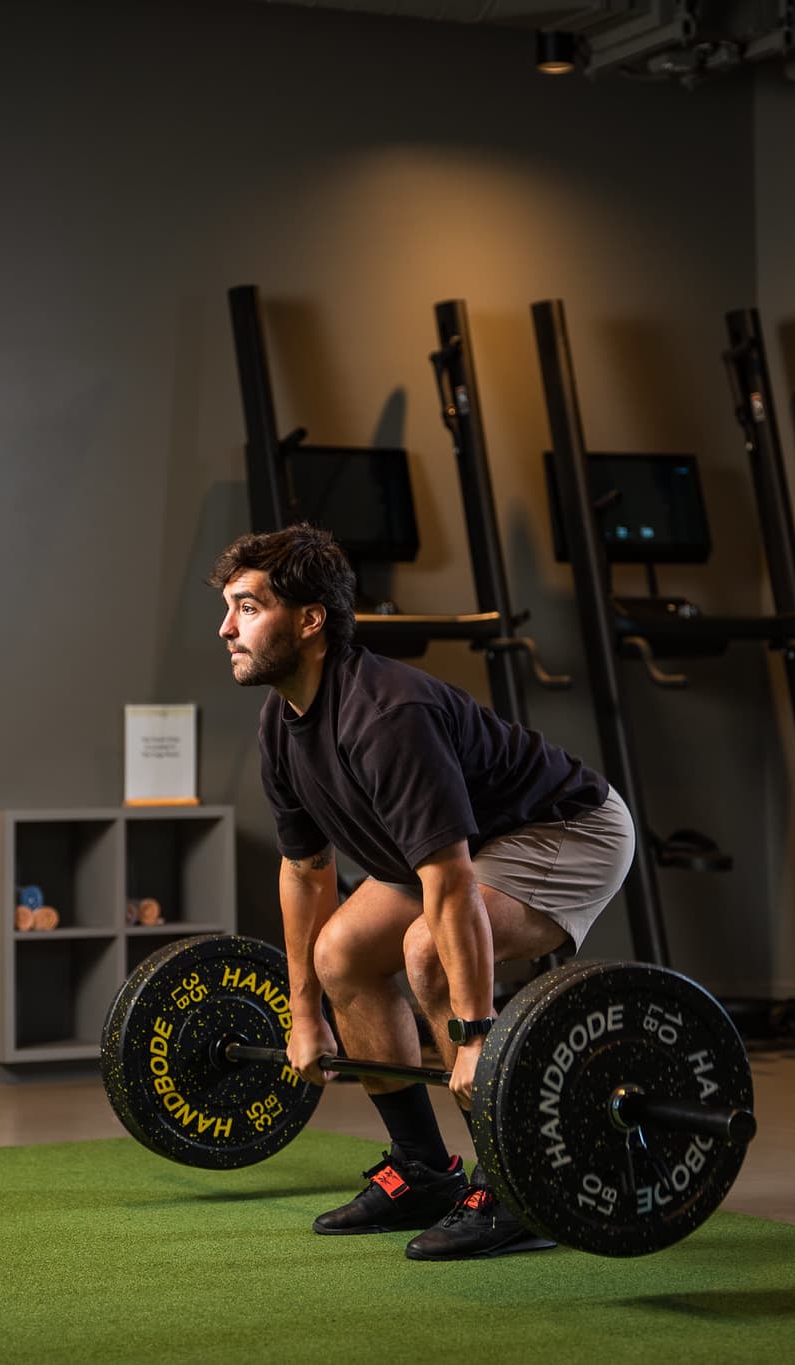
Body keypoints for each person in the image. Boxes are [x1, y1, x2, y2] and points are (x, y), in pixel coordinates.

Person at [210, 523, 635, 1261]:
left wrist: (473, 1032)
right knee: (340, 951)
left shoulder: (387, 714)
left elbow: (449, 882)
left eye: (248, 608)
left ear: (310, 620)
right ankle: (423, 1168)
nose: (226, 628)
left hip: (567, 829)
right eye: (228, 608)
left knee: (428, 956)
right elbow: (305, 872)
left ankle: (516, 1187)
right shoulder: (282, 722)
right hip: (462, 850)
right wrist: (303, 1015)